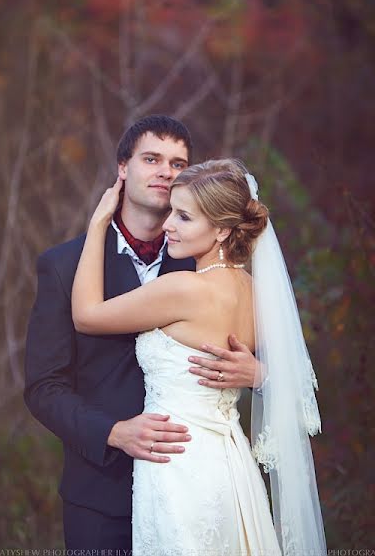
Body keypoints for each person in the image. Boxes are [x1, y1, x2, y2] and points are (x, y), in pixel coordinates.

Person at [24, 115, 262, 551]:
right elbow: (43, 386)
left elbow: (283, 369)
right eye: (151, 158)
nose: (165, 172)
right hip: (100, 495)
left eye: (178, 162)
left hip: (194, 484)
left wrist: (257, 372)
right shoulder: (63, 265)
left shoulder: (205, 263)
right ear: (122, 168)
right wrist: (112, 431)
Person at [71, 158, 327, 555]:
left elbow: (86, 316)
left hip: (178, 464)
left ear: (222, 229)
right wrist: (261, 374)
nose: (168, 223)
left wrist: (98, 224)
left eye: (184, 216)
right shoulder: (256, 293)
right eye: (172, 210)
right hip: (230, 466)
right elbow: (298, 386)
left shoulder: (184, 289)